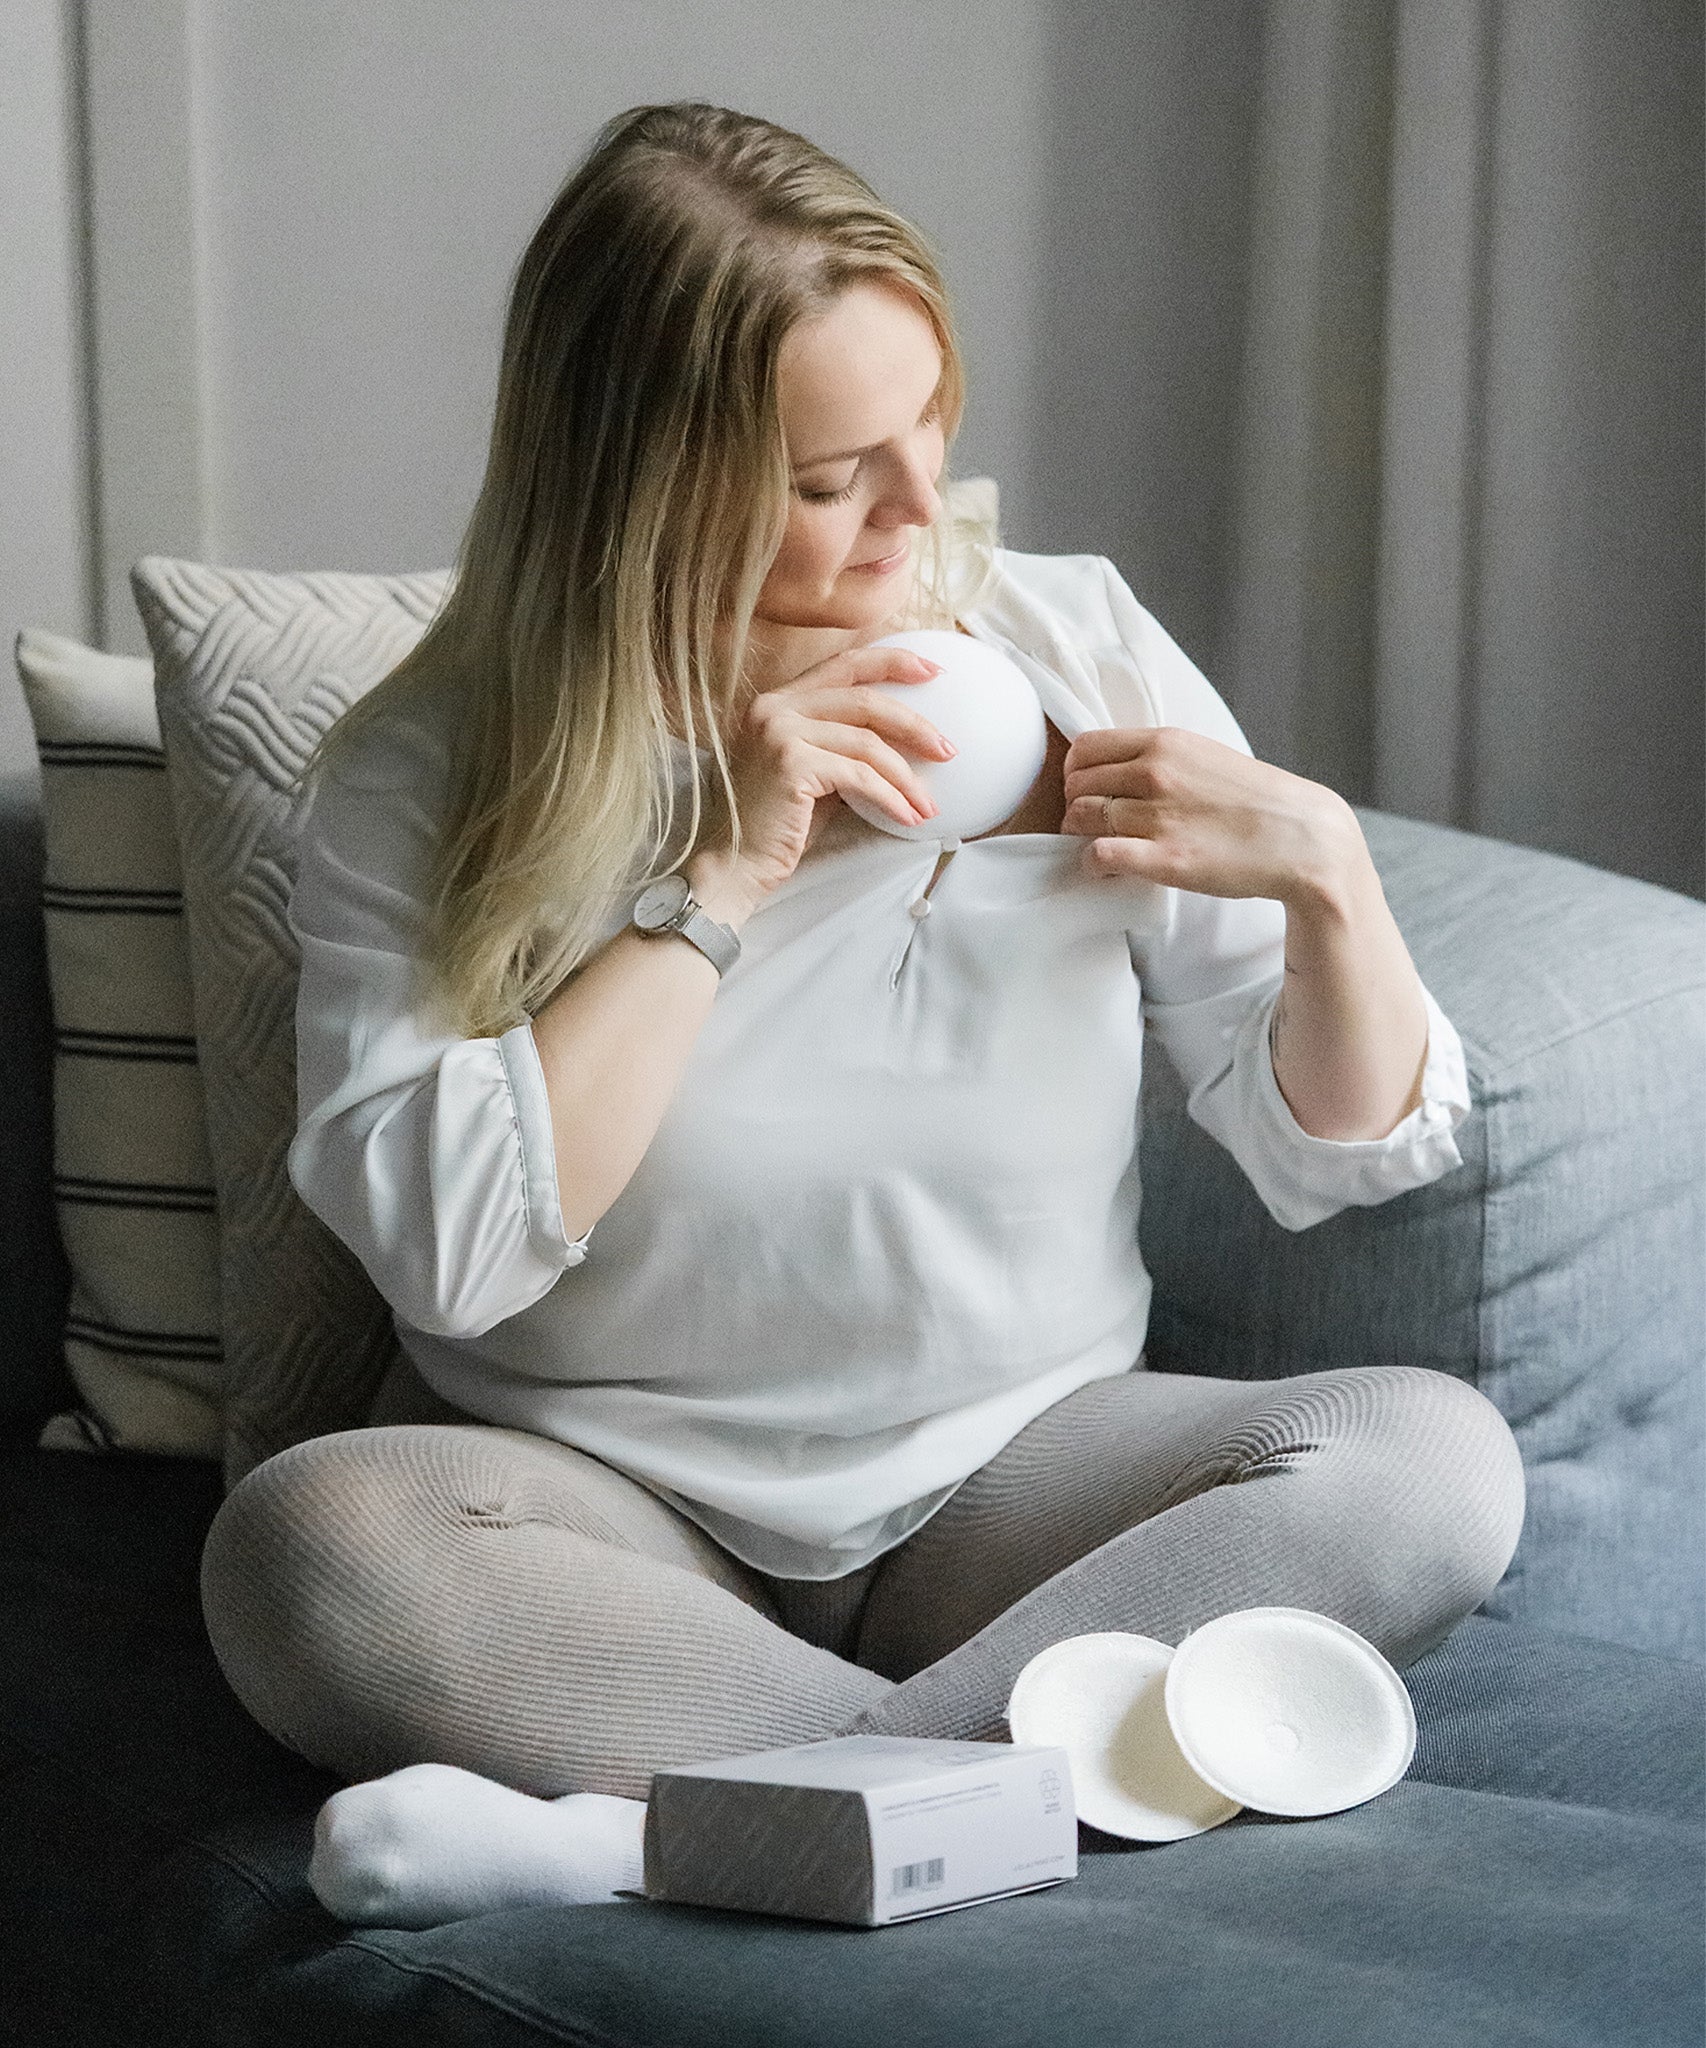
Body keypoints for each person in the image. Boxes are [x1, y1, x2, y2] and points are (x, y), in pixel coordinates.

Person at [199, 101, 1525, 1927]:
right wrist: (715, 881)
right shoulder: (434, 772)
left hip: (1016, 1481)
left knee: (1425, 1463)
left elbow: (1332, 1147)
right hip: (598, 1511)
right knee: (312, 1547)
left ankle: (650, 1837)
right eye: (831, 480)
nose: (919, 515)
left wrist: (1324, 874)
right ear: (640, 482)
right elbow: (451, 1259)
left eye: (927, 430)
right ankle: (1009, 1799)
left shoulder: (1067, 653)